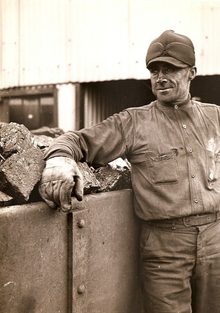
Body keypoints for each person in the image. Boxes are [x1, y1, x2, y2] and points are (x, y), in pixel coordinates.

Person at [39, 30, 220, 313]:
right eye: (155, 70)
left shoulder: (215, 117)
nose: (160, 77)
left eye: (170, 69)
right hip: (165, 249)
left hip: (216, 241)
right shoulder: (132, 123)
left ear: (191, 73)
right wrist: (59, 161)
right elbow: (77, 140)